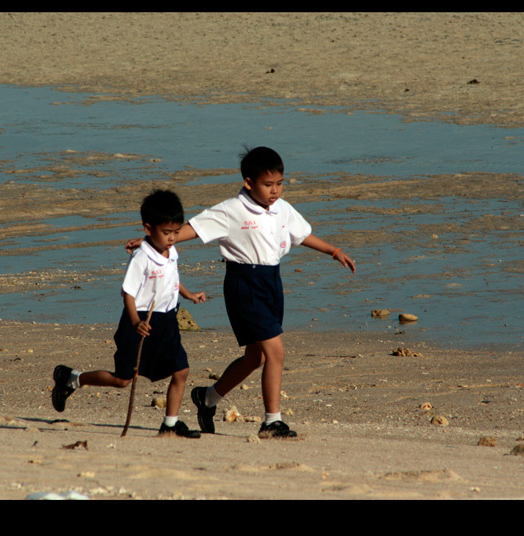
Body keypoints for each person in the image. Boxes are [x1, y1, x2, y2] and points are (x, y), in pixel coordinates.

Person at [126, 146, 356, 439]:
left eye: (279, 183)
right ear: (249, 182)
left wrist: (333, 251)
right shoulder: (232, 210)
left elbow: (301, 234)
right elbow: (192, 229)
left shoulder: (281, 208)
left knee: (256, 358)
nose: (275, 191)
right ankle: (272, 421)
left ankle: (207, 398)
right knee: (276, 352)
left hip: (272, 281)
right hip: (244, 284)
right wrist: (150, 243)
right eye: (268, 184)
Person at [52, 189, 206, 438]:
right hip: (139, 320)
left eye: (176, 232)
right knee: (123, 379)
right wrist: (136, 322)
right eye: (166, 233)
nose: (172, 238)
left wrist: (187, 295)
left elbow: (171, 279)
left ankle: (170, 424)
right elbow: (129, 294)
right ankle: (71, 378)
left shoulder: (171, 250)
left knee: (181, 370)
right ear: (148, 229)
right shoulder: (141, 257)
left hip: (166, 319)